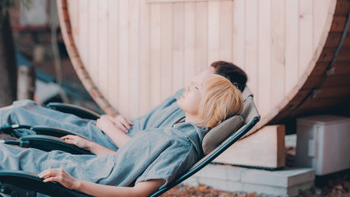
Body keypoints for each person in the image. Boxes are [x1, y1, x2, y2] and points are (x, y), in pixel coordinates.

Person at [0, 74, 243, 197]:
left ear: (210, 104)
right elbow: (126, 162)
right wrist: (91, 145)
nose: (187, 88)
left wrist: (75, 184)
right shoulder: (177, 130)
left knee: (6, 155)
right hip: (85, 165)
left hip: (81, 176)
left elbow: (139, 192)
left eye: (196, 88)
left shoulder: (181, 146)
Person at [0, 61, 247, 151]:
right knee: (28, 108)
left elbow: (140, 148)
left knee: (25, 110)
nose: (199, 70)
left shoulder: (189, 117)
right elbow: (144, 130)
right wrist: (115, 117)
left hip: (110, 139)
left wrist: (108, 126)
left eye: (207, 71)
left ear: (217, 85)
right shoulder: (182, 100)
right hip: (117, 130)